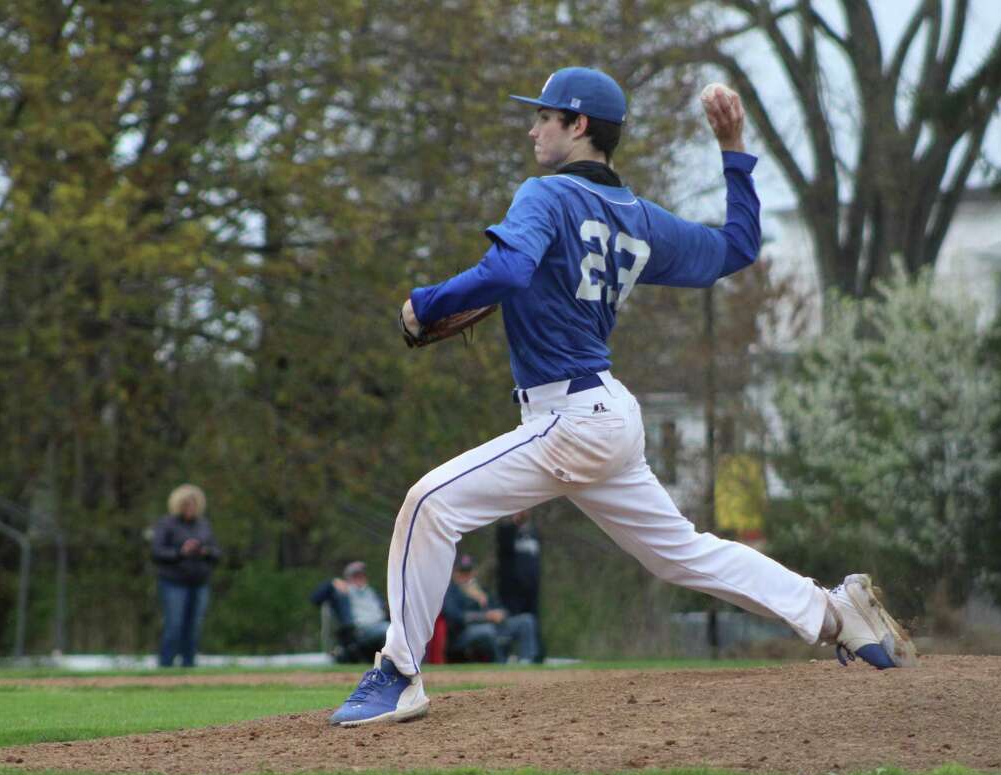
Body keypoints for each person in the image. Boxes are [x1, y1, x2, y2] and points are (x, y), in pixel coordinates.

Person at [331, 67, 916, 727]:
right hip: (605, 413)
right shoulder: (639, 219)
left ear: (578, 125)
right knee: (681, 553)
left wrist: (426, 303)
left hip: (569, 417)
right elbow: (737, 247)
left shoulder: (546, 194)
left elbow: (509, 269)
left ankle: (398, 673)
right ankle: (835, 613)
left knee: (429, 504)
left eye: (544, 117)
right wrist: (732, 152)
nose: (533, 129)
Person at [150, 483, 220, 668]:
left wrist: (204, 551)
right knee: (174, 625)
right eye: (186, 504)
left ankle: (189, 666)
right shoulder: (167, 524)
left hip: (199, 582)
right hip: (174, 582)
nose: (190, 508)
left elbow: (216, 553)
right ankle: (166, 665)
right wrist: (180, 552)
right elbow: (157, 552)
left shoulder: (203, 525)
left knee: (194, 627)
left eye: (193, 504)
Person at [441, 553, 538, 664]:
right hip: (463, 633)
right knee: (487, 630)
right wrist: (485, 616)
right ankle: (501, 664)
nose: (466, 575)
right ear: (455, 572)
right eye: (462, 571)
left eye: (468, 571)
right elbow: (454, 616)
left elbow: (500, 608)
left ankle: (526, 662)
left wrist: (498, 612)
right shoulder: (450, 591)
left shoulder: (480, 589)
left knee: (526, 621)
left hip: (494, 627)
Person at [310, 560, 390, 661]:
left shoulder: (372, 592)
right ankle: (386, 663)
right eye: (355, 576)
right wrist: (331, 582)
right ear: (348, 578)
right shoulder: (343, 594)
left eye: (361, 575)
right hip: (361, 631)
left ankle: (396, 663)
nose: (359, 578)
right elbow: (314, 599)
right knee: (389, 631)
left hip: (382, 625)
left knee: (397, 630)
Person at [495, 510, 543, 661]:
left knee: (532, 623)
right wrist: (514, 521)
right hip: (511, 593)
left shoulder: (533, 533)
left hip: (531, 591)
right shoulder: (506, 531)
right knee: (510, 626)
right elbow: (504, 546)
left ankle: (533, 658)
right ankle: (503, 658)